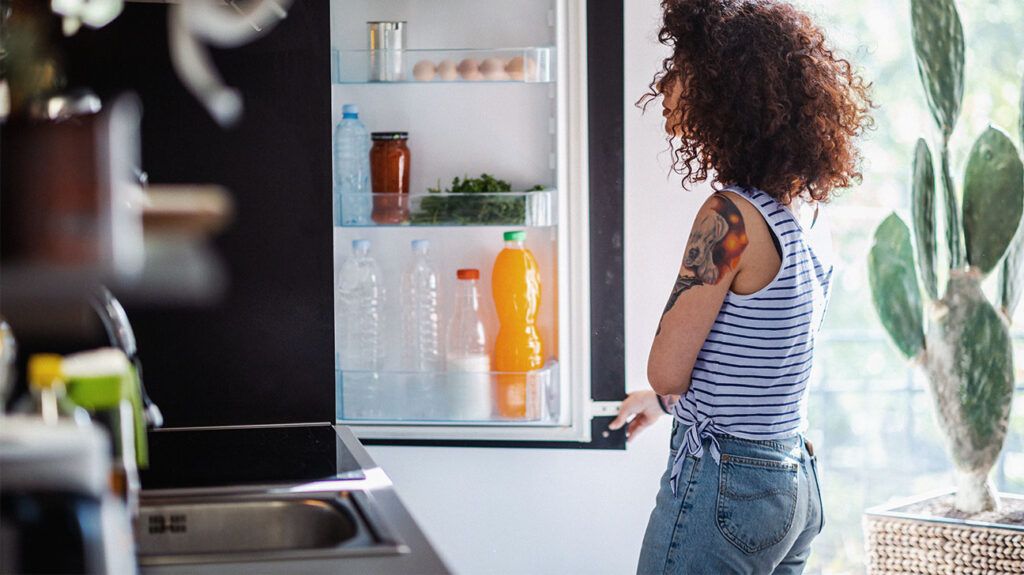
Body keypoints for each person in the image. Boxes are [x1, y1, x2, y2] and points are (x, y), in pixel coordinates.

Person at [608, 0, 873, 572]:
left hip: (726, 485)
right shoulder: (803, 214)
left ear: (722, 88)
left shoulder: (728, 216)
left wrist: (664, 390)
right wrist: (662, 405)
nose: (667, 81)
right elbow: (760, 356)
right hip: (791, 478)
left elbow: (667, 369)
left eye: (682, 64)